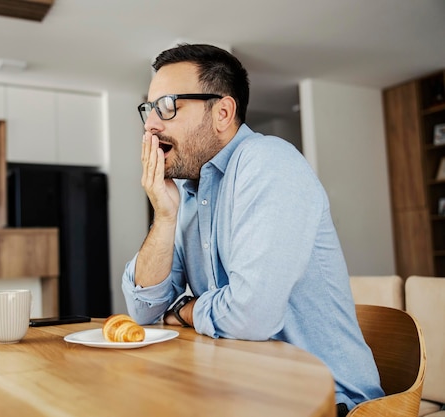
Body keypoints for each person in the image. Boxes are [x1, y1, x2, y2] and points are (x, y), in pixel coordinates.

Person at [121, 43, 384, 415]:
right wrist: (163, 217)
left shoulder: (270, 163)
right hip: (248, 392)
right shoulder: (186, 194)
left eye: (167, 106)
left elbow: (251, 315)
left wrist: (185, 311)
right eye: (148, 109)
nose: (150, 125)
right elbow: (144, 311)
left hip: (331, 402)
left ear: (223, 112)